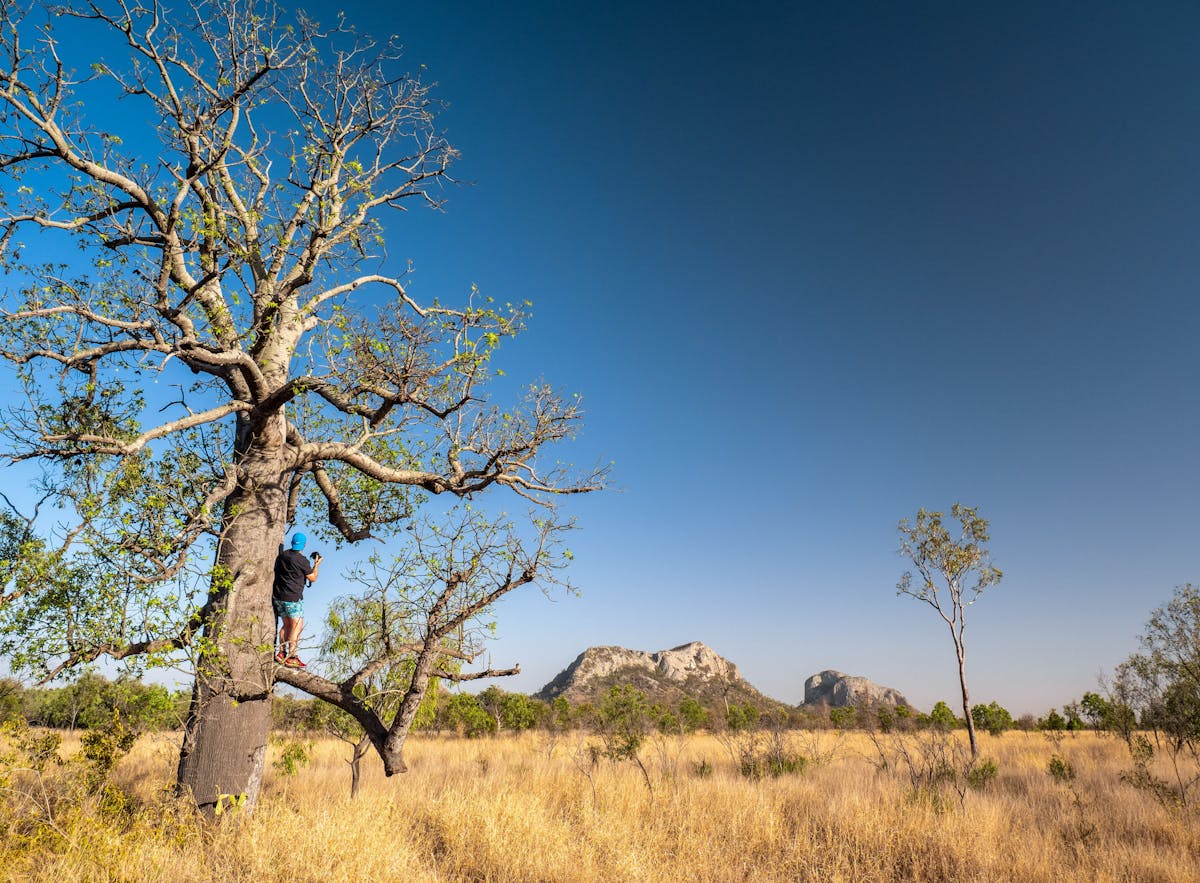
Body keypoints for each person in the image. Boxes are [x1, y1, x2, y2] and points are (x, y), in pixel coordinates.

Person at [273, 531, 321, 668]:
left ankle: (281, 653)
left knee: (286, 625)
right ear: (304, 545)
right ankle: (292, 656)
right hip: (293, 597)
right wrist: (316, 564)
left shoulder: (282, 556)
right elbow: (313, 578)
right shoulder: (302, 560)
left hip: (279, 596)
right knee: (296, 625)